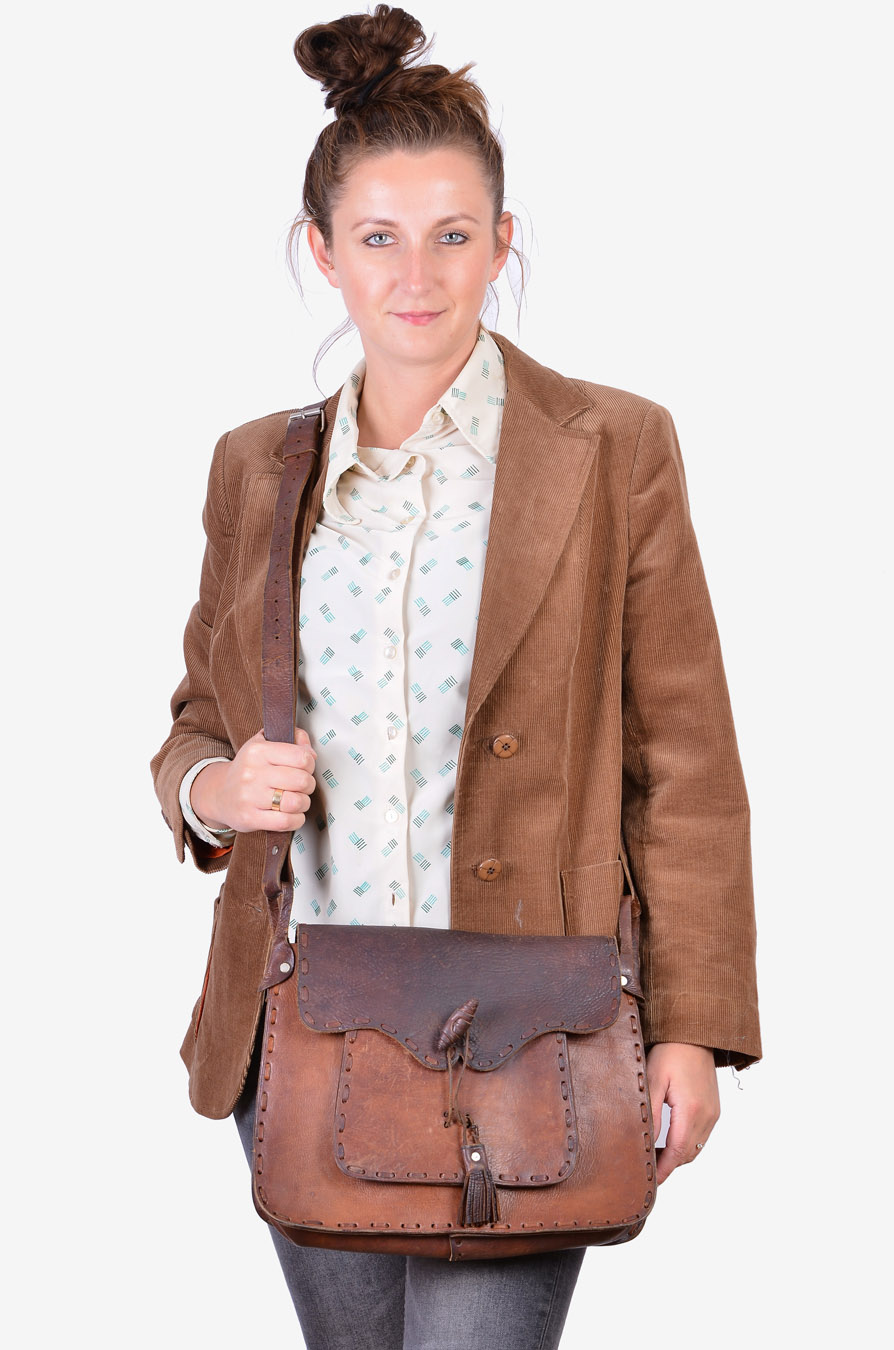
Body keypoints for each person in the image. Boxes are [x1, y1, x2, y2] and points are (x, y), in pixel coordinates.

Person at [151, 7, 761, 1348]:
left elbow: (686, 763)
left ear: (501, 243)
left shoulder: (611, 447)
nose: (415, 273)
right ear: (322, 252)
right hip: (310, 1022)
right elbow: (198, 719)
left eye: (451, 234)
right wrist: (214, 788)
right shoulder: (257, 467)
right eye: (377, 237)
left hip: (536, 1026)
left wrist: (693, 1028)